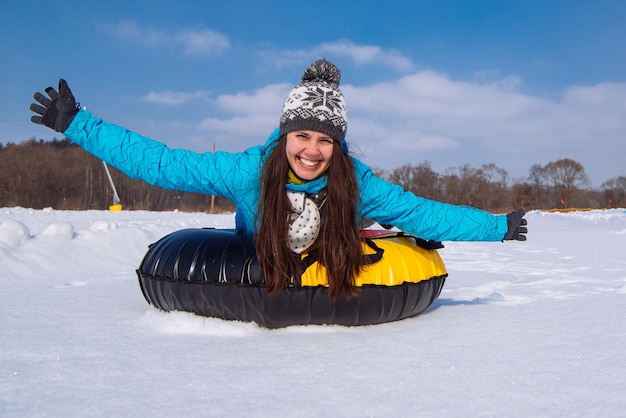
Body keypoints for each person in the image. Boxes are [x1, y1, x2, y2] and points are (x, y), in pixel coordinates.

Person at [30, 59, 527, 300]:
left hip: (332, 255)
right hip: (260, 257)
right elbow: (162, 163)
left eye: (326, 141)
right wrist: (78, 124)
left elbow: (423, 210)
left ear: (338, 145)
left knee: (396, 228)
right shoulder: (249, 170)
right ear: (286, 134)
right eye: (303, 136)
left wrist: (496, 226)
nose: (312, 150)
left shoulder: (356, 183)